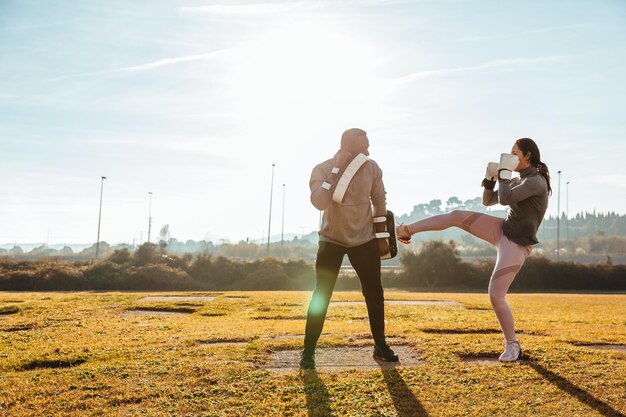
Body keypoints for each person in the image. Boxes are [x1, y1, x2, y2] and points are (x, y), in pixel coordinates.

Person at [396, 138, 551, 361]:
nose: (510, 156)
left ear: (528, 156)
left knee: (496, 295)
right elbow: (488, 201)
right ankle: (406, 230)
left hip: (517, 244)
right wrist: (489, 179)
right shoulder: (518, 180)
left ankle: (513, 345)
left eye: (515, 153)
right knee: (457, 215)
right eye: (509, 152)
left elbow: (506, 199)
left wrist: (504, 172)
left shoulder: (536, 182)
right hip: (502, 229)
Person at [300, 128, 399, 369]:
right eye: (363, 146)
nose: (368, 150)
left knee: (374, 292)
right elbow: (319, 202)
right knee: (321, 294)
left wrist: (381, 236)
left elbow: (379, 201)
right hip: (331, 239)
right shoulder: (322, 168)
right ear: (347, 146)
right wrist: (336, 170)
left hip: (364, 239)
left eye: (368, 145)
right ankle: (309, 350)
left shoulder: (372, 167)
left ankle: (380, 345)